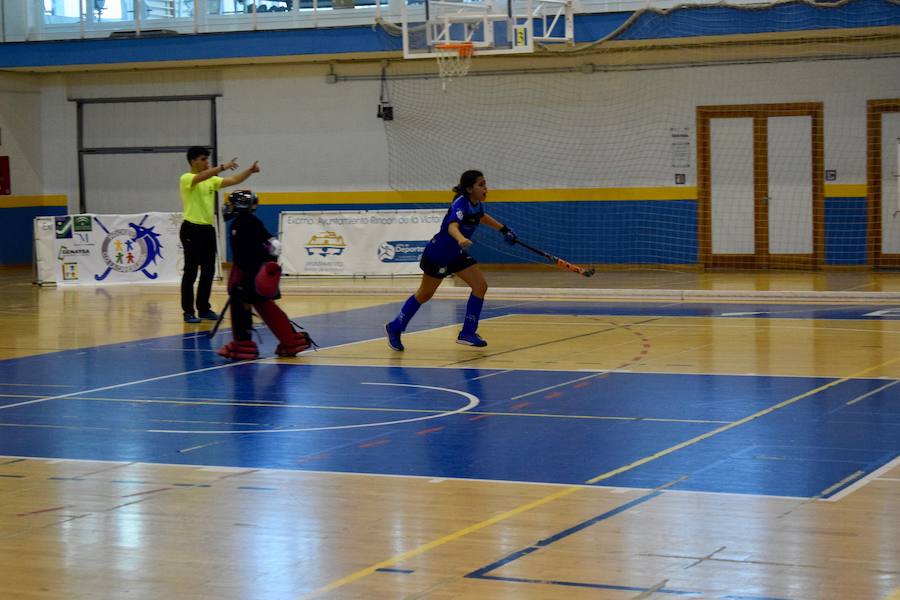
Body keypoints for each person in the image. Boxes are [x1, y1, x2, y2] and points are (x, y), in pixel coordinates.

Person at [384, 169, 517, 351]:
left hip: (455, 254)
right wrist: (461, 239)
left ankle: (467, 333)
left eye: (485, 184)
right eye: (481, 185)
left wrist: (503, 229)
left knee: (480, 286)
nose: (486, 188)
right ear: (469, 189)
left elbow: (481, 217)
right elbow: (451, 227)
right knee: (425, 294)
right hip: (439, 254)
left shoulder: (476, 204)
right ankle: (395, 326)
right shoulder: (460, 204)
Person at [217, 190, 314, 360]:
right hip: (252, 271)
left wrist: (259, 269)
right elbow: (273, 245)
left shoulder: (245, 223)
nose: (229, 207)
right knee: (263, 306)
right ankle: (289, 341)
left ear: (240, 205)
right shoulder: (246, 222)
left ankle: (246, 345)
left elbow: (271, 246)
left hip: (251, 273)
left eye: (232, 204)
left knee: (248, 306)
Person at [179, 146, 260, 324]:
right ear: (193, 161)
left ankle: (203, 308)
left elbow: (233, 180)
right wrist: (222, 167)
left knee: (208, 271)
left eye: (207, 160)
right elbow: (200, 177)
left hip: (208, 229)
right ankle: (188, 311)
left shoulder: (211, 180)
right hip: (191, 228)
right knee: (191, 272)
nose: (206, 163)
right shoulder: (187, 178)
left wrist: (249, 171)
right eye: (203, 159)